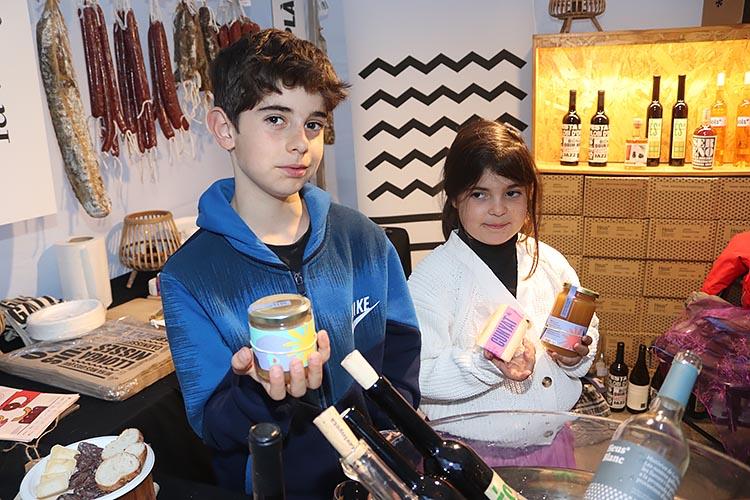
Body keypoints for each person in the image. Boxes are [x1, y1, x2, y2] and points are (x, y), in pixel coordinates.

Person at [160, 29, 421, 498]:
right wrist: (255, 391)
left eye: (313, 124)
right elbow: (211, 424)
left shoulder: (363, 238)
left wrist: (394, 443)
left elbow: (401, 348)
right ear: (225, 129)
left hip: (379, 479)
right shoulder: (190, 277)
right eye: (276, 119)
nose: (301, 143)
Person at [407, 119, 598, 454]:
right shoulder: (432, 279)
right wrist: (486, 364)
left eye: (512, 193)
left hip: (553, 442)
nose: (498, 209)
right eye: (480, 194)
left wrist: (575, 357)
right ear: (455, 198)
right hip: (472, 452)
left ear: (529, 195)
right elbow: (419, 373)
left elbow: (587, 328)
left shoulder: (549, 262)